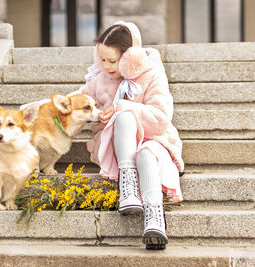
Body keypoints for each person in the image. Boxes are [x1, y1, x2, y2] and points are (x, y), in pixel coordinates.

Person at [77, 21, 184, 250]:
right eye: (102, 59)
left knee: (144, 153)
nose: (105, 65)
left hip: (153, 140)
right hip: (119, 147)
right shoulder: (98, 80)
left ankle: (155, 219)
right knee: (123, 119)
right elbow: (76, 104)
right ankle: (128, 187)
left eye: (112, 61)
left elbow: (161, 118)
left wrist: (122, 106)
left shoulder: (151, 74)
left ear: (129, 56)